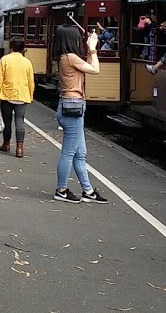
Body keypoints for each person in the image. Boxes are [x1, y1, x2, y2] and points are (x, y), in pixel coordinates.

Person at [52, 24, 108, 204]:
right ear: (71, 40)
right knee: (69, 153)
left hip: (70, 105)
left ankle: (88, 190)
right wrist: (92, 49)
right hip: (72, 106)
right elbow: (95, 69)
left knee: (80, 153)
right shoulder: (71, 57)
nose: (80, 40)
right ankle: (61, 189)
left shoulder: (63, 57)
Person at [0, 36, 35, 158]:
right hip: (22, 94)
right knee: (20, 120)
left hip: (7, 94)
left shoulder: (5, 60)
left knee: (7, 121)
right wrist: (30, 95)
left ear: (10, 48)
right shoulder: (28, 63)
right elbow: (31, 81)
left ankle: (6, 144)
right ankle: (19, 147)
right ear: (23, 49)